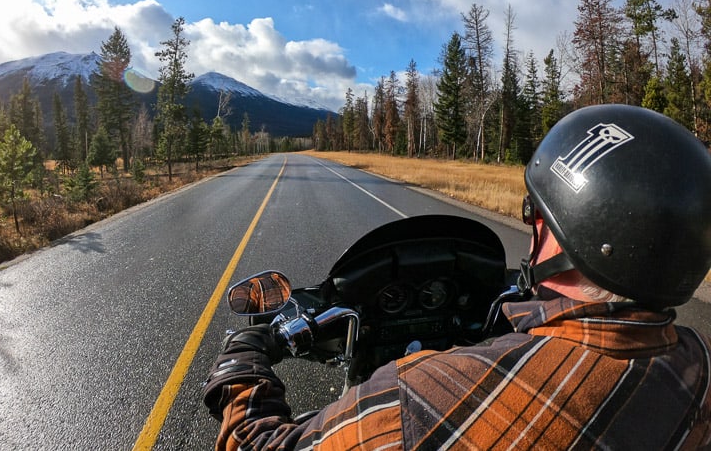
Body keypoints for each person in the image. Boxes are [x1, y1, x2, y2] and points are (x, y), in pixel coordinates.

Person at [203, 104, 711, 450]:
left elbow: (258, 443)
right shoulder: (700, 366)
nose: (531, 224)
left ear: (571, 233)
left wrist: (242, 360)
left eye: (534, 212)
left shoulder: (423, 397)